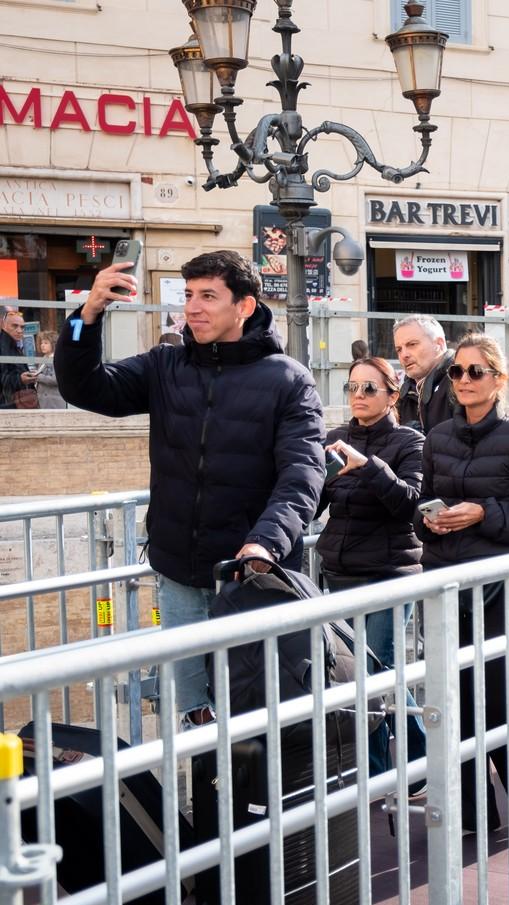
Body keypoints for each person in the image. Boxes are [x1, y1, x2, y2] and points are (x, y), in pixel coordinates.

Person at [55, 250, 324, 722]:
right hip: (178, 572)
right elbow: (86, 388)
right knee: (196, 714)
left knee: (254, 711)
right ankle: (208, 795)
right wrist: (87, 315)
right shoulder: (166, 365)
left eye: (208, 296)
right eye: (188, 296)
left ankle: (261, 798)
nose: (193, 308)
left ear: (243, 306)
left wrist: (264, 543)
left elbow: (302, 474)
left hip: (250, 578)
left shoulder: (288, 380)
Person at [417, 334, 509, 831]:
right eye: (456, 372)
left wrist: (484, 512)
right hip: (443, 583)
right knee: (451, 698)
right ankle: (471, 812)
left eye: (474, 372)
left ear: (499, 380)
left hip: (501, 585)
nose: (462, 380)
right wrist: (429, 522)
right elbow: (422, 502)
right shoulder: (436, 438)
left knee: (506, 694)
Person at [317, 356, 427, 777]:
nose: (358, 396)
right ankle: (399, 766)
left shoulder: (409, 442)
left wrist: (368, 467)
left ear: (392, 395)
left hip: (389, 573)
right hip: (340, 572)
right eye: (352, 387)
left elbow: (410, 505)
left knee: (376, 673)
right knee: (361, 677)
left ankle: (389, 770)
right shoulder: (336, 437)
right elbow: (316, 504)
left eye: (369, 388)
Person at [393, 314, 455, 434]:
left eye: (412, 345)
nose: (404, 355)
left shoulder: (462, 381)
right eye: (399, 349)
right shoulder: (404, 393)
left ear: (439, 344)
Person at [1, 307, 37, 409]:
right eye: (15, 326)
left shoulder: (13, 346)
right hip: (7, 406)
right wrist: (20, 379)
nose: (19, 330)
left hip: (12, 404)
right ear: (4, 326)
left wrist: (27, 378)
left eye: (22, 327)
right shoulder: (4, 346)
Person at [33, 330, 63, 409]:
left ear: (53, 344)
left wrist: (38, 376)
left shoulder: (57, 359)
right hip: (43, 400)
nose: (42, 345)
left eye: (46, 343)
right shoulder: (44, 359)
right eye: (41, 343)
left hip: (53, 402)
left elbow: (56, 379)